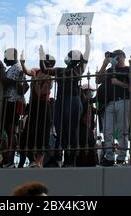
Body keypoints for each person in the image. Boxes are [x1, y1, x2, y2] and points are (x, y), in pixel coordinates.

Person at [39, 34, 90, 167]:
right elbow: (45, 69)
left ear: (74, 59)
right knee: (60, 130)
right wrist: (41, 58)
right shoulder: (60, 70)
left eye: (69, 56)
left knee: (72, 130)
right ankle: (57, 157)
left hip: (73, 102)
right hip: (61, 102)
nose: (67, 58)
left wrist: (87, 37)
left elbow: (87, 53)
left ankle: (70, 159)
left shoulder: (79, 69)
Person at [20, 53, 55, 168]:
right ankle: (32, 160)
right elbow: (27, 72)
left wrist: (35, 81)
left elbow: (40, 93)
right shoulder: (37, 70)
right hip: (33, 106)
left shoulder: (50, 77)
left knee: (42, 134)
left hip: (44, 106)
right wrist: (22, 64)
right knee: (29, 131)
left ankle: (39, 161)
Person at [95, 49, 130, 167]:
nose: (117, 58)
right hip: (109, 103)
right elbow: (98, 80)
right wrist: (105, 63)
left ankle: (121, 157)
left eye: (119, 56)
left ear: (123, 57)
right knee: (107, 131)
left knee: (121, 131)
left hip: (123, 100)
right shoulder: (110, 70)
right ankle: (109, 157)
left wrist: (119, 83)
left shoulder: (128, 69)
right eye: (115, 56)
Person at [0, 49, 26, 168]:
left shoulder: (17, 67)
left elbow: (7, 82)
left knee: (11, 130)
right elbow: (3, 81)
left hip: (13, 102)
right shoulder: (11, 68)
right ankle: (7, 159)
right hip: (7, 101)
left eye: (6, 56)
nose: (5, 59)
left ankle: (11, 160)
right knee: (7, 131)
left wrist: (1, 66)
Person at [77, 84, 98, 167]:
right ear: (85, 92)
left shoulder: (89, 103)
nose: (92, 93)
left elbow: (97, 111)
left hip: (89, 130)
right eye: (90, 91)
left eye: (92, 91)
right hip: (83, 129)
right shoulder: (83, 102)